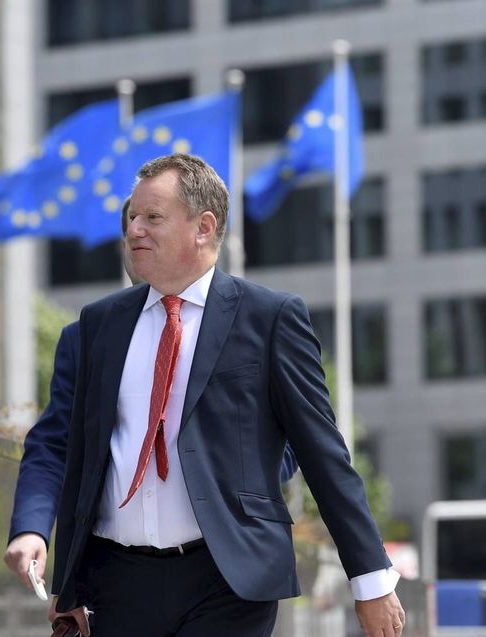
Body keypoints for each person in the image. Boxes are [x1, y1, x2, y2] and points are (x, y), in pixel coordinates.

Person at [49, 154, 404, 637]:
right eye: (133, 217)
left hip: (229, 580)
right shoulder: (99, 324)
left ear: (204, 227)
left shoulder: (271, 318)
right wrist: (66, 588)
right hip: (116, 583)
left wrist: (371, 581)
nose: (135, 230)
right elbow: (82, 462)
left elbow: (322, 453)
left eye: (153, 218)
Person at [4, 198, 298, 593]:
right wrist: (31, 528)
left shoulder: (255, 322)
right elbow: (54, 444)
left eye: (153, 222)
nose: (138, 234)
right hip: (116, 570)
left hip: (226, 567)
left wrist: (232, 486)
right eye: (132, 225)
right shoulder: (86, 335)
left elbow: (301, 436)